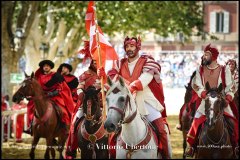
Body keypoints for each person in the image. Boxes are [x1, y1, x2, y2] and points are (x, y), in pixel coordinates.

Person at [98, 36, 171, 159]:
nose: (129, 49)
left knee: (161, 129)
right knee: (113, 132)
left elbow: (145, 79)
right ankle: (112, 154)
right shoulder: (119, 63)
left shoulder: (148, 61)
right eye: (127, 46)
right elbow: (113, 80)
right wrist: (104, 76)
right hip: (124, 103)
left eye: (132, 46)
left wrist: (131, 86)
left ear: (137, 47)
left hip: (145, 103)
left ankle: (166, 155)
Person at [185, 44, 239, 157]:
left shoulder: (225, 70)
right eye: (204, 54)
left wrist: (228, 97)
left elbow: (232, 86)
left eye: (206, 54)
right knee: (195, 122)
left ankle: (236, 146)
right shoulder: (200, 69)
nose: (204, 57)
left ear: (213, 56)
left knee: (233, 122)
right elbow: (195, 84)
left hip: (222, 102)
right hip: (205, 102)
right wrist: (203, 93)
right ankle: (191, 147)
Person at [65, 41, 102, 159]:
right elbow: (79, 86)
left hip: (103, 105)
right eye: (94, 62)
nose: (96, 64)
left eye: (98, 62)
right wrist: (82, 95)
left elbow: (111, 88)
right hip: (87, 104)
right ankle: (72, 146)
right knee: (75, 122)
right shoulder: (85, 75)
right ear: (91, 63)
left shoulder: (105, 75)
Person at [24, 60, 75, 135]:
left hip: (54, 97)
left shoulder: (56, 76)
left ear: (50, 67)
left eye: (47, 66)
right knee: (30, 107)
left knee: (63, 110)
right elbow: (34, 88)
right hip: (42, 97)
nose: (46, 67)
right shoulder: (38, 77)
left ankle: (64, 127)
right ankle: (30, 126)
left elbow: (60, 88)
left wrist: (52, 93)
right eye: (44, 66)